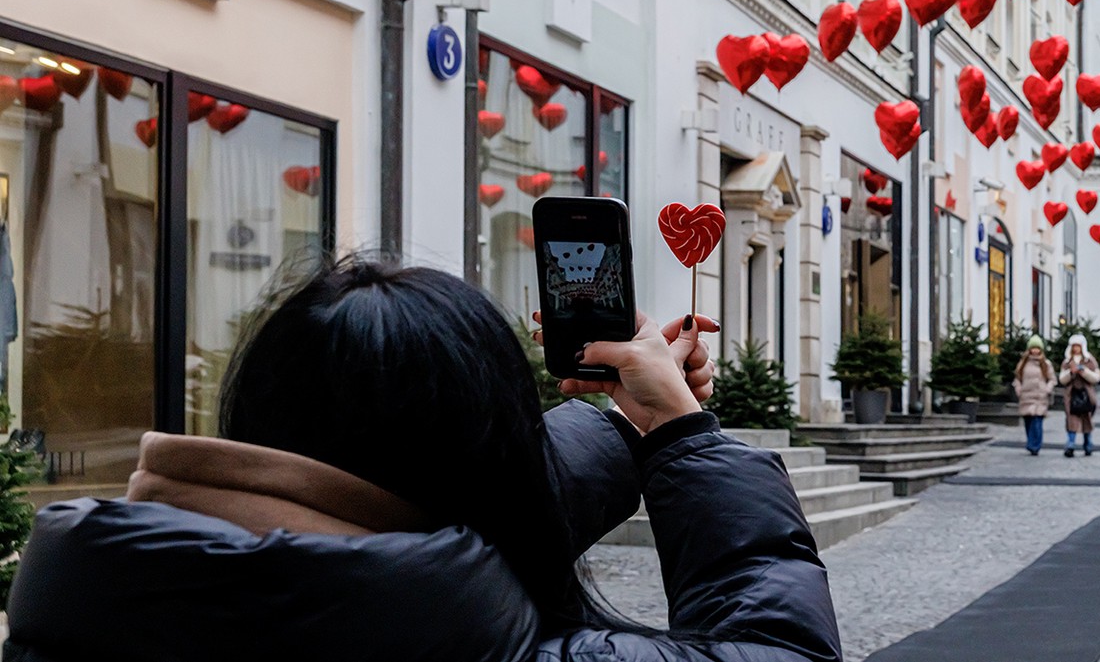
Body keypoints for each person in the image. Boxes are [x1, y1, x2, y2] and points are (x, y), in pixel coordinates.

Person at [4, 258, 841, 662]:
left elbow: (426, 498)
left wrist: (630, 421)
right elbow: (785, 653)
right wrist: (686, 436)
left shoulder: (89, 590)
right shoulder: (477, 646)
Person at [1059, 334, 1100, 457]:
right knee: (1071, 420)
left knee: (1086, 419)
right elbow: (1062, 379)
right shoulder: (1067, 361)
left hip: (1086, 394)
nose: (1076, 349)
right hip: (1072, 394)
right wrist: (1071, 373)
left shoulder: (1089, 360)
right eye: (1074, 346)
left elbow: (1096, 377)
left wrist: (1084, 372)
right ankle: (1070, 444)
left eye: (1078, 346)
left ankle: (1088, 443)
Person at [1013, 338, 1054, 454]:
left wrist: (1047, 389)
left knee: (1037, 422)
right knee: (1028, 421)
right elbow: (1017, 378)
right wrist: (1018, 389)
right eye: (1033, 348)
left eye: (1037, 348)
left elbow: (1051, 379)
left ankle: (1035, 445)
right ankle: (1031, 442)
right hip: (1026, 396)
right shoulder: (1023, 363)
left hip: (1040, 396)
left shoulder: (1045, 364)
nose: (1035, 351)